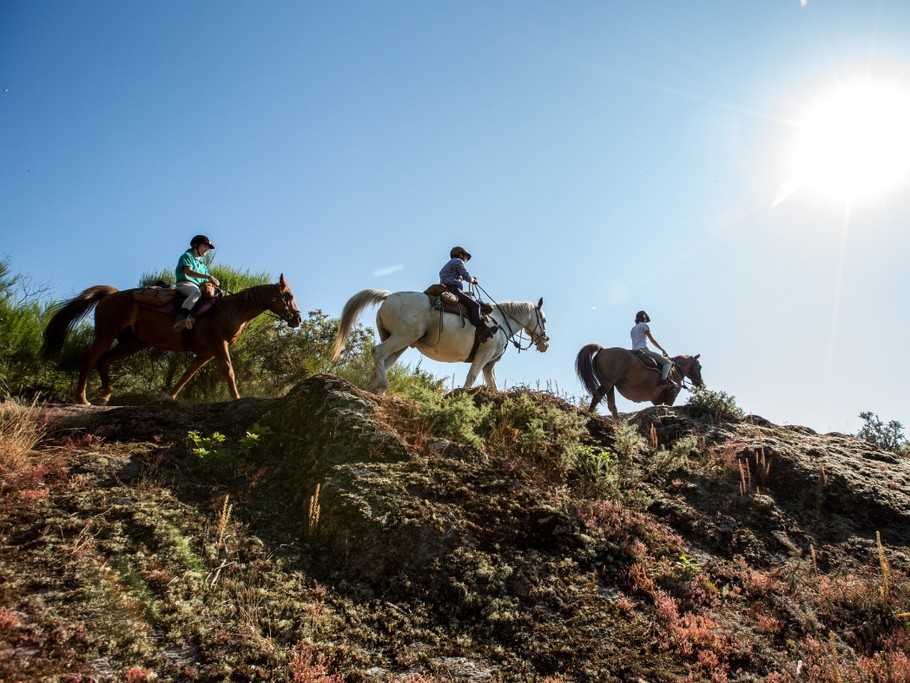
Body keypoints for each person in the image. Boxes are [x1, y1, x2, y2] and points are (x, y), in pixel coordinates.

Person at [439, 246, 495, 341]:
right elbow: (467, 277)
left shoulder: (446, 265)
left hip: (445, 289)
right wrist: (474, 280)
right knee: (476, 306)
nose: (466, 260)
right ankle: (480, 330)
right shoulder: (458, 261)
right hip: (454, 289)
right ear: (461, 254)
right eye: (466, 257)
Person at [174, 234, 220, 331]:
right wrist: (208, 276)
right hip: (184, 284)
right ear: (195, 245)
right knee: (196, 293)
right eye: (204, 246)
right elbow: (188, 271)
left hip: (197, 286)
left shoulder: (203, 266)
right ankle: (181, 318)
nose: (207, 250)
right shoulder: (187, 256)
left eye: (208, 248)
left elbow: (206, 281)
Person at [630, 310, 674, 386]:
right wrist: (662, 350)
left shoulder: (632, 329)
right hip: (643, 350)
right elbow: (652, 341)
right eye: (646, 319)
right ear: (644, 318)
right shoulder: (644, 325)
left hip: (634, 351)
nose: (646, 321)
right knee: (668, 363)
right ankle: (663, 381)